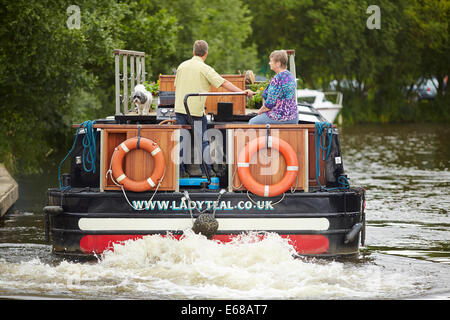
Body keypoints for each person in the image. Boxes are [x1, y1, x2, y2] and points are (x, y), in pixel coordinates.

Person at [174, 40, 254, 174]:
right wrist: (242, 92)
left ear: (193, 52)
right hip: (195, 112)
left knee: (181, 141)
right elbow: (224, 83)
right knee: (202, 141)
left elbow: (176, 86)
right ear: (206, 53)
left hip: (179, 109)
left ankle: (179, 175)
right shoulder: (205, 68)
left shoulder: (181, 66)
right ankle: (207, 172)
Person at [249, 50, 298, 124]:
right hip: (293, 117)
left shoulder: (277, 79)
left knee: (252, 122)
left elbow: (269, 103)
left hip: (280, 116)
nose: (269, 63)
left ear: (278, 63)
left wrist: (259, 112)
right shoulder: (291, 76)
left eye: (271, 61)